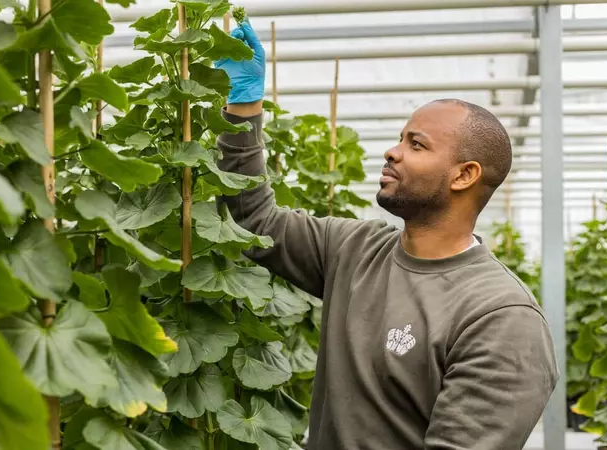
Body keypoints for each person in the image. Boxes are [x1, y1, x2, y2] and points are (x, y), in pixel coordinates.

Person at [213, 19, 559, 450]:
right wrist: (244, 109)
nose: (392, 151)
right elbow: (254, 219)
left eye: (416, 144)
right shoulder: (354, 250)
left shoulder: (501, 318)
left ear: (464, 175)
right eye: (400, 138)